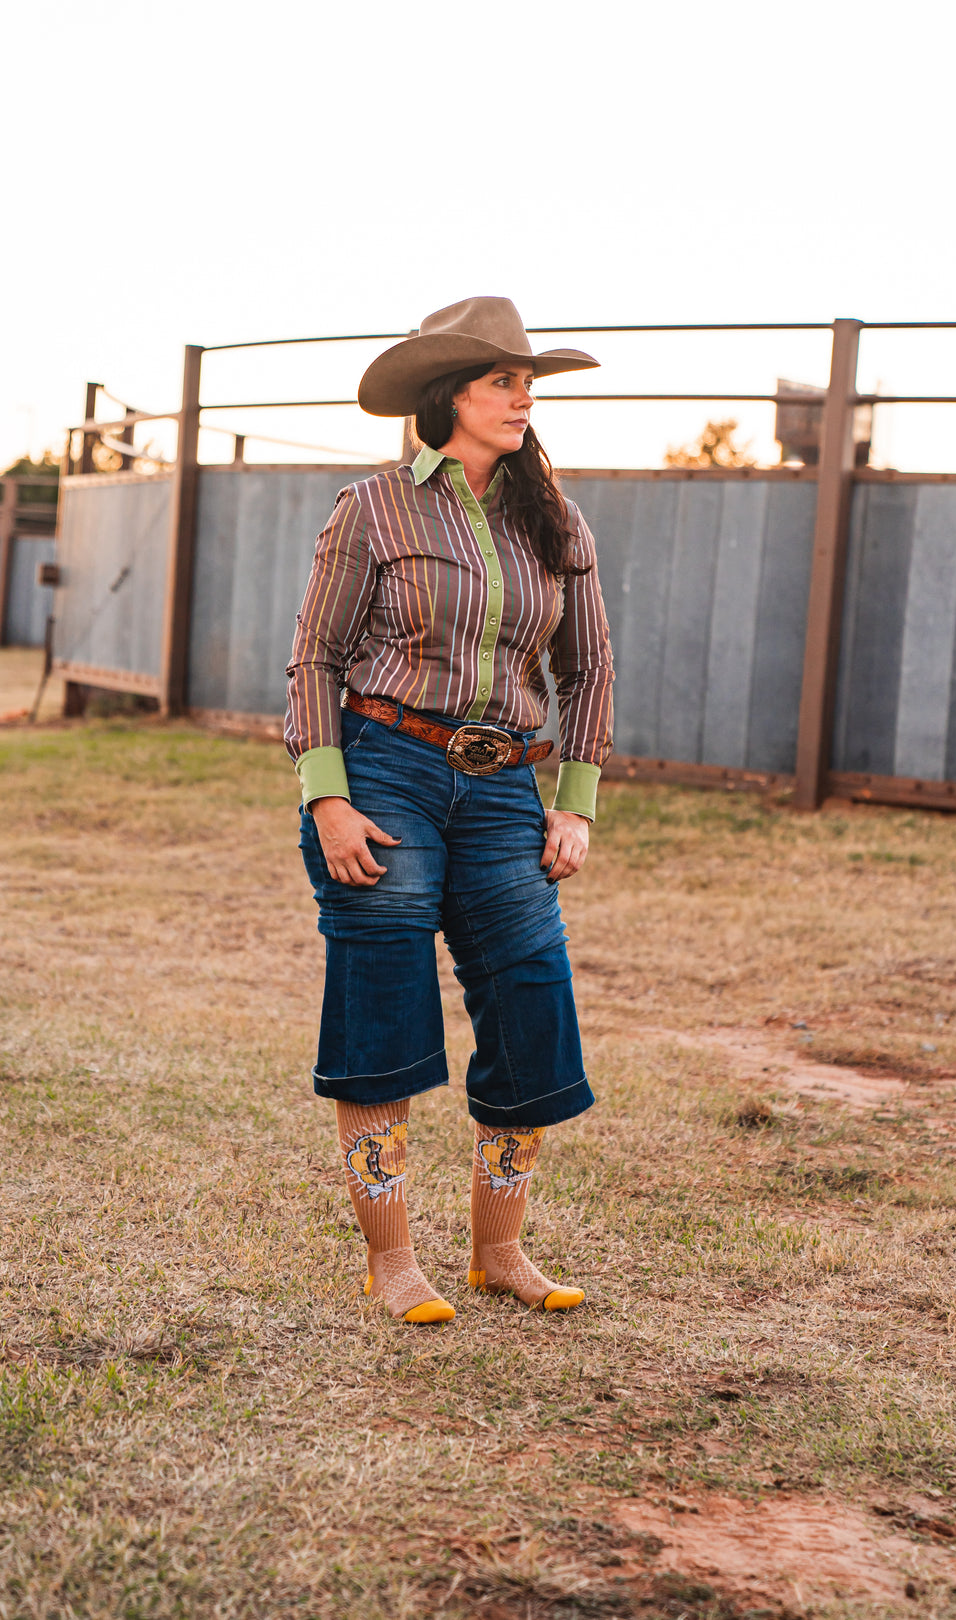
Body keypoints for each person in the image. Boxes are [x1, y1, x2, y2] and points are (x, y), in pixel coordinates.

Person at [285, 296, 614, 1324]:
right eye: (502, 380)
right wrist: (328, 798)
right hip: (387, 769)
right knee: (382, 1000)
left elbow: (590, 667)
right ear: (449, 398)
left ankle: (500, 1253)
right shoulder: (374, 506)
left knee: (530, 1002)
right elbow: (316, 659)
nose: (523, 396)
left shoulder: (553, 520)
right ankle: (393, 1265)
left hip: (505, 784)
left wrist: (577, 804)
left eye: (528, 382)